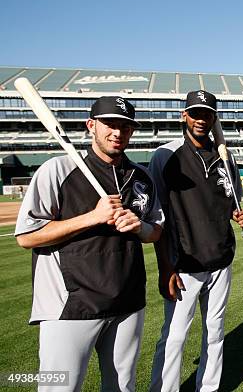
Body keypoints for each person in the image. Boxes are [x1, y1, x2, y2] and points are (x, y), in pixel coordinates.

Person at [15, 96, 164, 391]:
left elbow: (156, 231)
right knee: (59, 386)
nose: (118, 133)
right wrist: (92, 217)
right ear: (91, 126)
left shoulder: (141, 176)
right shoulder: (57, 171)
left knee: (123, 386)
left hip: (128, 301)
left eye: (125, 126)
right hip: (71, 305)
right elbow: (27, 236)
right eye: (110, 124)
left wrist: (139, 227)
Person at [148, 90, 243, 392]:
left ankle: (208, 388)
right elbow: (158, 215)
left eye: (207, 114)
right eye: (195, 113)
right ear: (184, 116)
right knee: (175, 336)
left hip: (220, 258)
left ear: (213, 118)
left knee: (215, 332)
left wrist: (239, 216)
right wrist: (165, 266)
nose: (200, 119)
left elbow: (231, 203)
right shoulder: (165, 156)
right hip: (184, 263)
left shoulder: (224, 156)